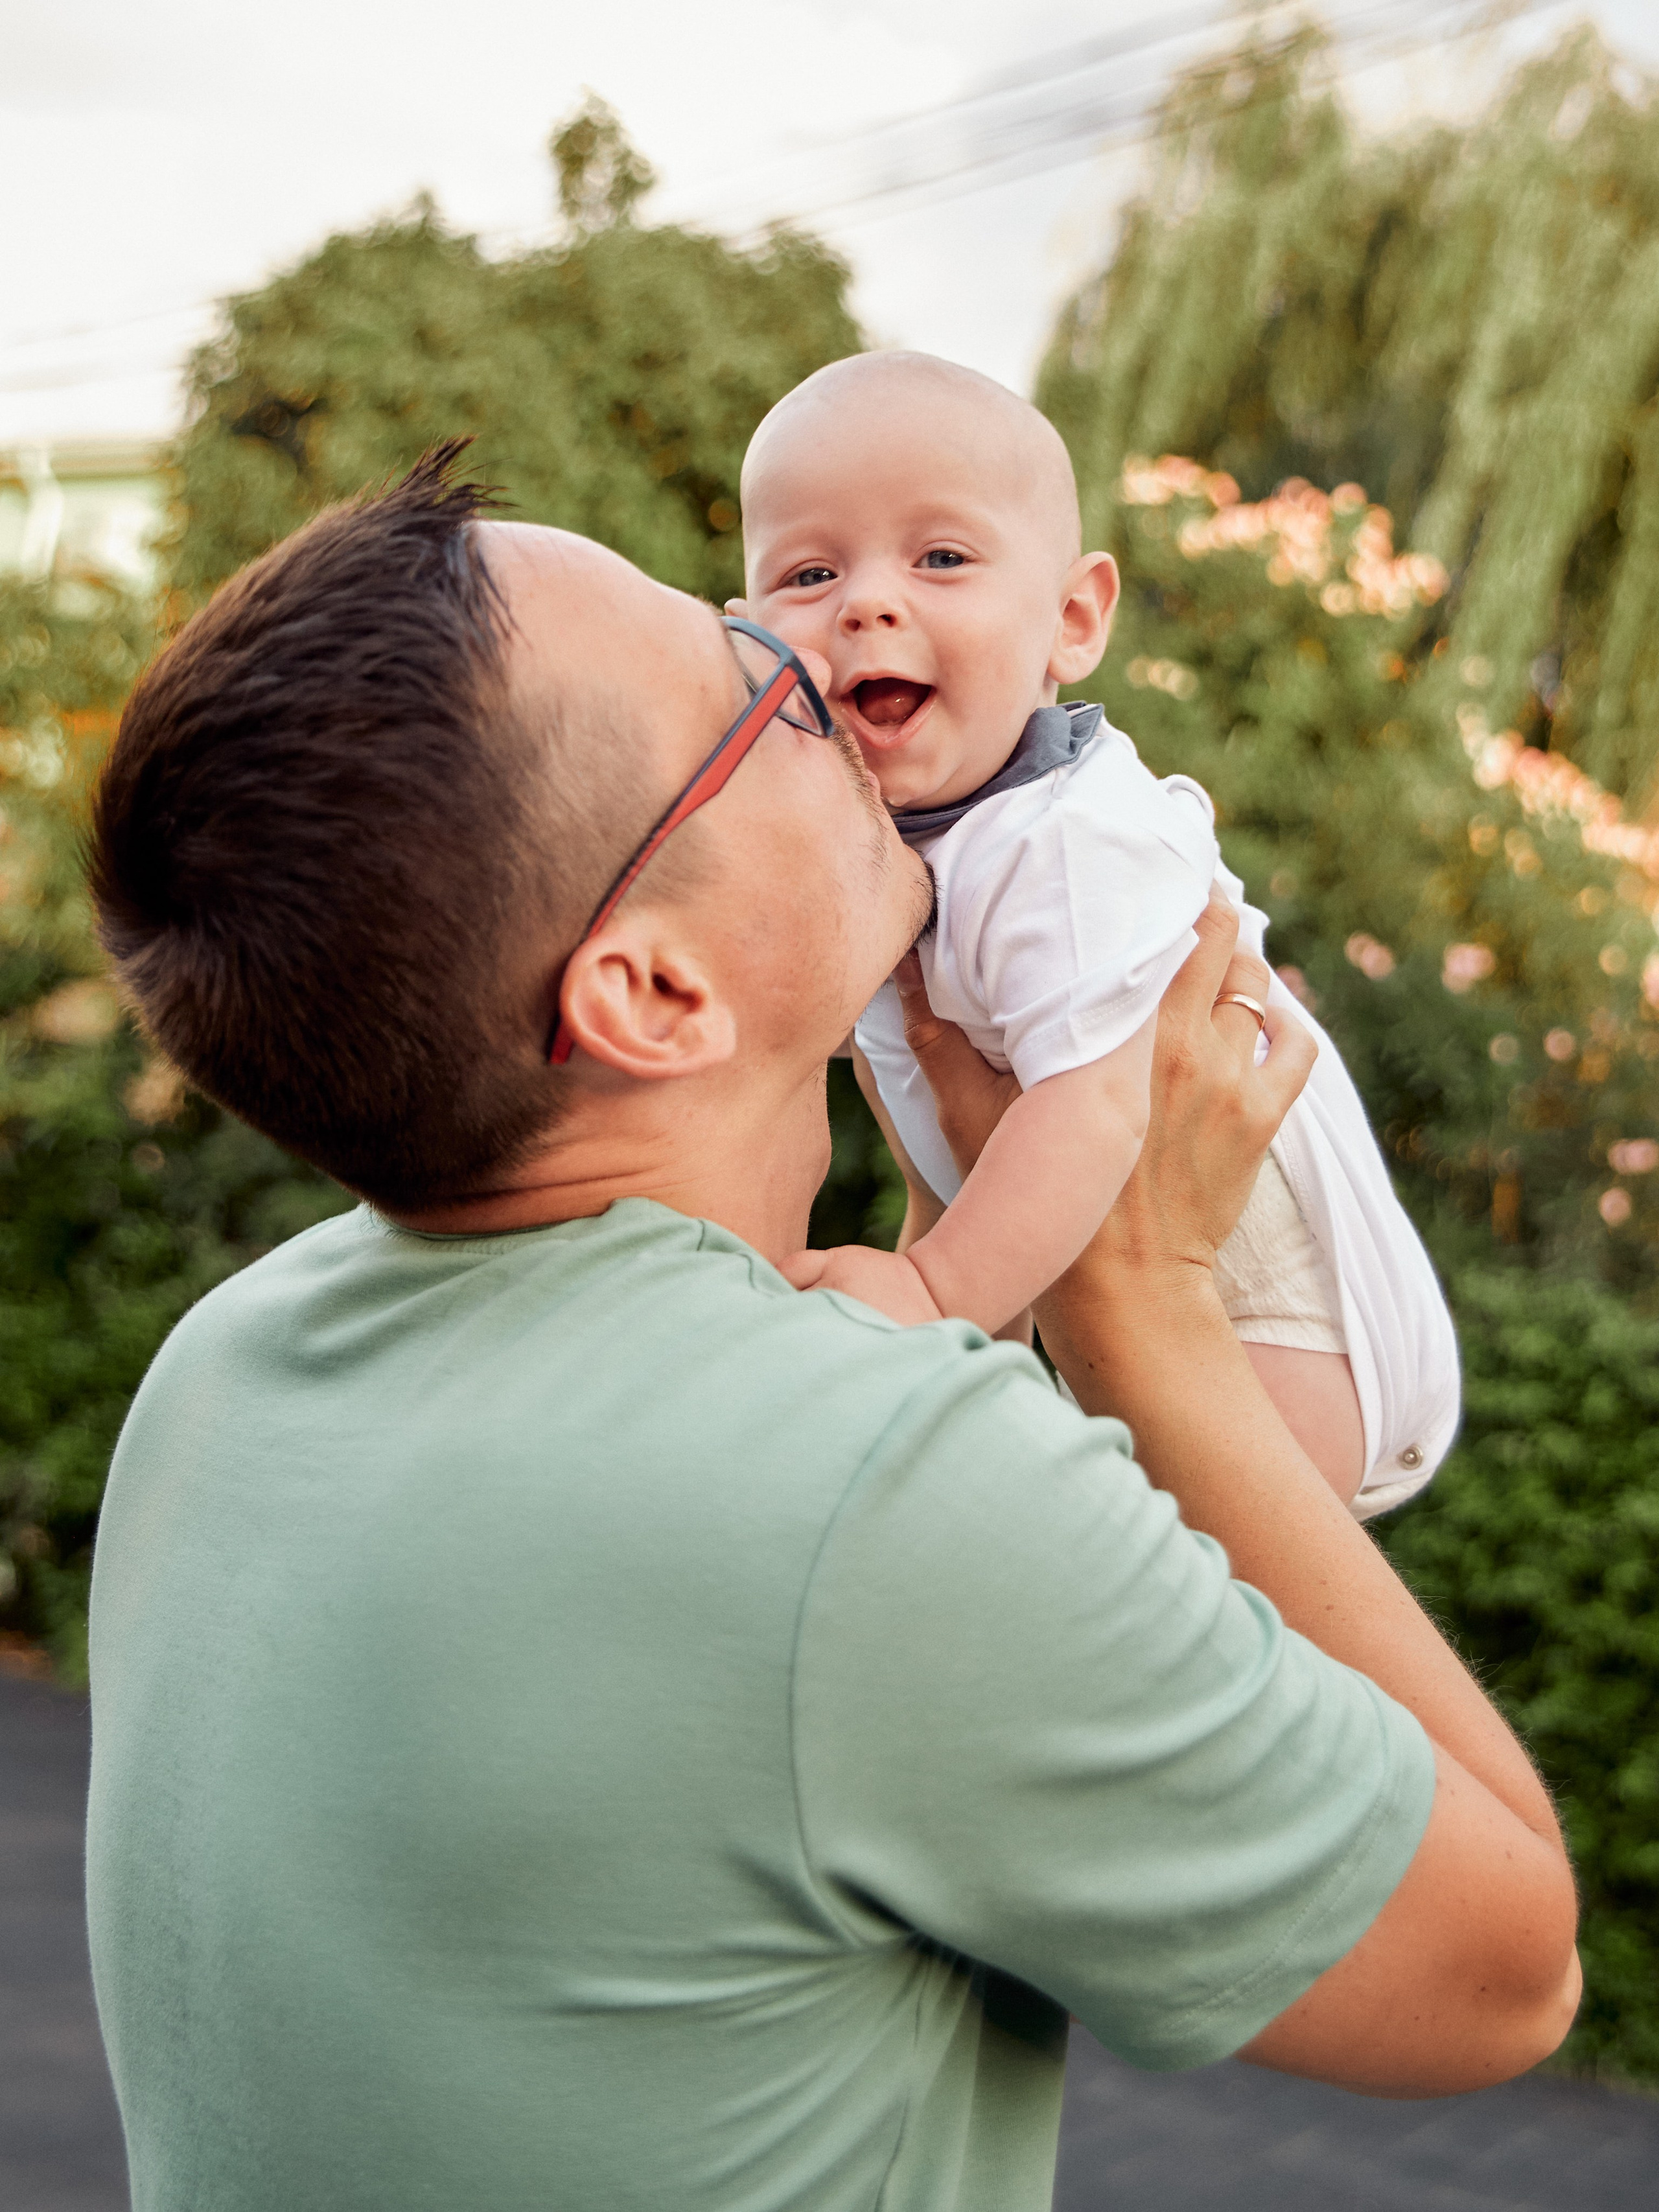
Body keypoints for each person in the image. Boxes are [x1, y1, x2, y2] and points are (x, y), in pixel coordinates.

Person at [83, 450, 1577, 2212]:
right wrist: (1153, 1312)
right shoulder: (871, 1484)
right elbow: (1504, 1968)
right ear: (651, 987)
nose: (815, 666)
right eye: (758, 694)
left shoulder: (234, 1364)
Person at [735, 352, 1458, 1513]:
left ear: (1071, 621)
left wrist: (933, 1292)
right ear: (749, 644)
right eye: (810, 572)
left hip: (1275, 1315)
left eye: (942, 557)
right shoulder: (871, 843)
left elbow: (1094, 1107)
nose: (869, 601)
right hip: (1079, 1283)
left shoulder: (1065, 838)